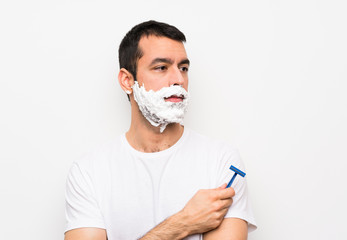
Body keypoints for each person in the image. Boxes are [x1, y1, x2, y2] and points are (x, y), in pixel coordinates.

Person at [64, 20, 257, 240]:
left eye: (183, 68)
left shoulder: (222, 161)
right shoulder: (89, 172)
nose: (178, 79)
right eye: (161, 67)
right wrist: (182, 223)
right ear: (127, 81)